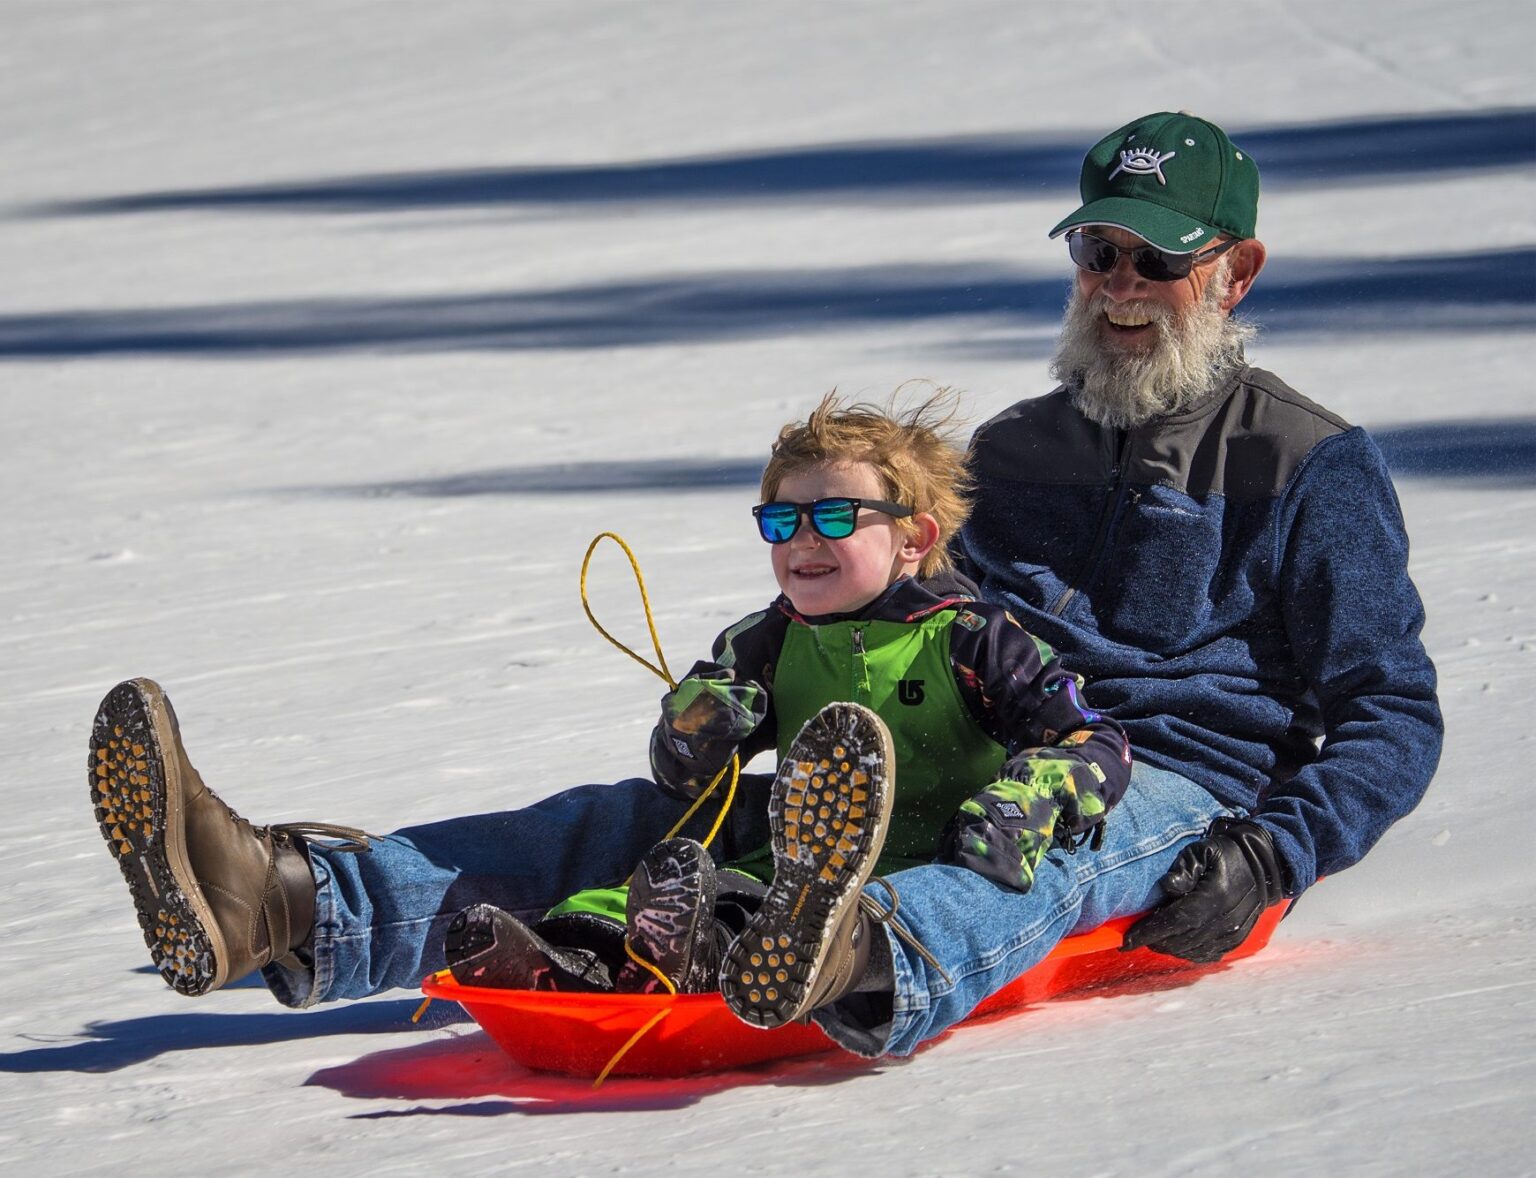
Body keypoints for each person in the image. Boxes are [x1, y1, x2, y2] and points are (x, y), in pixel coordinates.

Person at [89, 110, 1441, 1062]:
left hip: (1161, 783)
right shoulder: (1016, 451)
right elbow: (911, 618)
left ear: (1235, 271)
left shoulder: (1312, 464)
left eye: (1159, 259)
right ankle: (291, 898)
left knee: (1039, 845)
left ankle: (851, 951)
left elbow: (1390, 712)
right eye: (1101, 253)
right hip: (952, 733)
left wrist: (1274, 848)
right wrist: (744, 701)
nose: (1124, 287)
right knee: (645, 817)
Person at [436, 393, 1132, 1033]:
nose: (802, 541)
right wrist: (693, 734)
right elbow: (682, 780)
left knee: (768, 914)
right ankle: (573, 954)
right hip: (803, 861)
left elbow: (1095, 743)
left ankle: (703, 949)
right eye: (781, 520)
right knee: (688, 882)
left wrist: (1027, 797)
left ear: (914, 540)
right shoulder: (765, 639)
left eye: (833, 517)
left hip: (937, 866)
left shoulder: (973, 638)